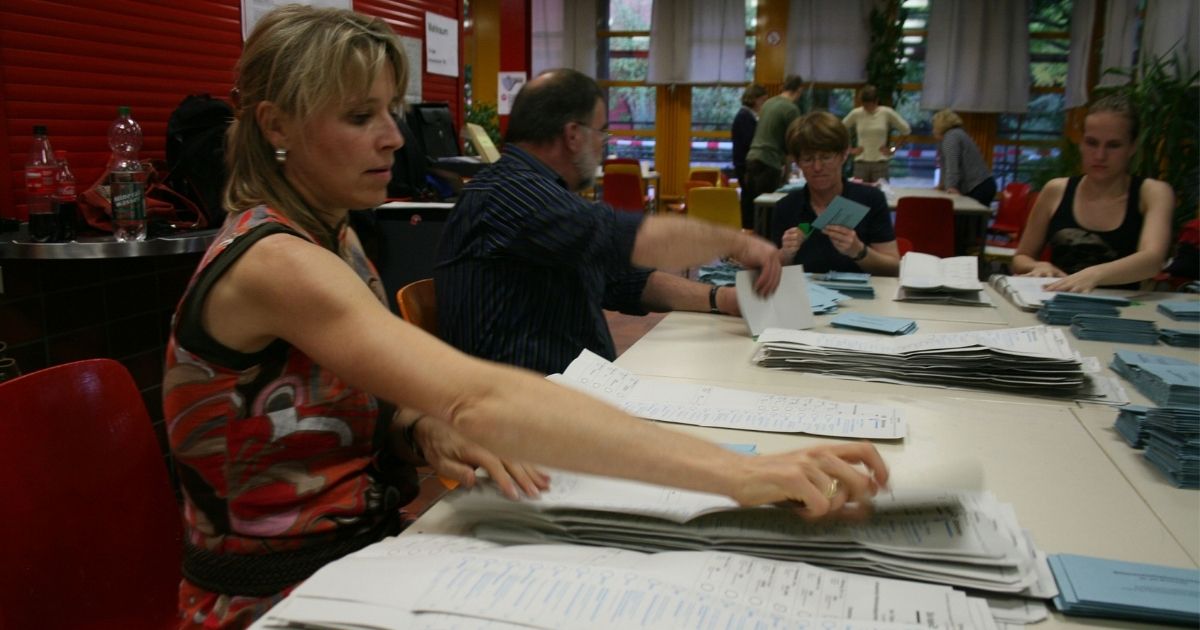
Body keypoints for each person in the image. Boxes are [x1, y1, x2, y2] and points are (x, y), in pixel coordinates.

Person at [163, 8, 887, 628]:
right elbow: (478, 395)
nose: (393, 137)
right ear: (275, 126)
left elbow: (336, 403)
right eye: (361, 117)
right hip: (276, 601)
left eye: (391, 111)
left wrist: (418, 428)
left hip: (362, 560)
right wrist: (735, 476)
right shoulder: (275, 261)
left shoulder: (336, 233)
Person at [436, 68, 785, 376]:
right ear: (573, 135)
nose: (605, 145)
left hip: (559, 398)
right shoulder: (509, 193)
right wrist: (738, 242)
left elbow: (622, 280)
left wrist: (720, 298)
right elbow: (629, 237)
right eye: (602, 133)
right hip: (518, 415)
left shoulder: (535, 191)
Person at [1011, 94, 1173, 292]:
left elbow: (1152, 260)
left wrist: (1092, 275)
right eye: (1091, 143)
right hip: (1056, 304)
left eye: (1113, 145)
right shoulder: (1056, 190)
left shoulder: (1153, 193)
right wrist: (1037, 266)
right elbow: (1021, 257)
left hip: (1122, 312)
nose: (1100, 155)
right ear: (1081, 143)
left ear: (1132, 147)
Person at [769, 112, 900, 276]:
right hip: (806, 299)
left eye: (826, 157)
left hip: (862, 300)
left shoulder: (870, 200)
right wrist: (786, 254)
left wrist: (859, 251)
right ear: (797, 162)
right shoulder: (787, 206)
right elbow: (770, 270)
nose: (817, 167)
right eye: (808, 159)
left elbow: (894, 267)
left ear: (844, 155)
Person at [741, 75, 806, 229]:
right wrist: (788, 172)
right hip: (769, 162)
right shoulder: (791, 109)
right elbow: (793, 142)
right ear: (799, 90)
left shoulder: (768, 103)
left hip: (752, 158)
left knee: (753, 210)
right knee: (768, 213)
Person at [841, 85, 910, 183]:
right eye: (864, 105)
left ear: (876, 101)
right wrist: (849, 149)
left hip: (880, 162)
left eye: (869, 105)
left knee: (881, 193)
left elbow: (906, 130)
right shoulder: (856, 113)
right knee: (859, 194)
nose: (867, 108)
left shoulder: (886, 112)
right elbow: (839, 129)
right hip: (861, 162)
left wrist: (893, 149)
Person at [932, 109, 996, 209]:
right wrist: (943, 184)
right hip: (982, 184)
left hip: (978, 186)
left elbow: (952, 165)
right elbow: (944, 163)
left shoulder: (951, 137)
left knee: (968, 221)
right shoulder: (955, 134)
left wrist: (950, 187)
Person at [732, 83, 767, 216]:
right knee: (748, 199)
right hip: (744, 165)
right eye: (763, 101)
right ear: (755, 99)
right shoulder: (745, 117)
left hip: (743, 163)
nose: (764, 105)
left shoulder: (747, 116)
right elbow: (749, 141)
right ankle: (748, 228)